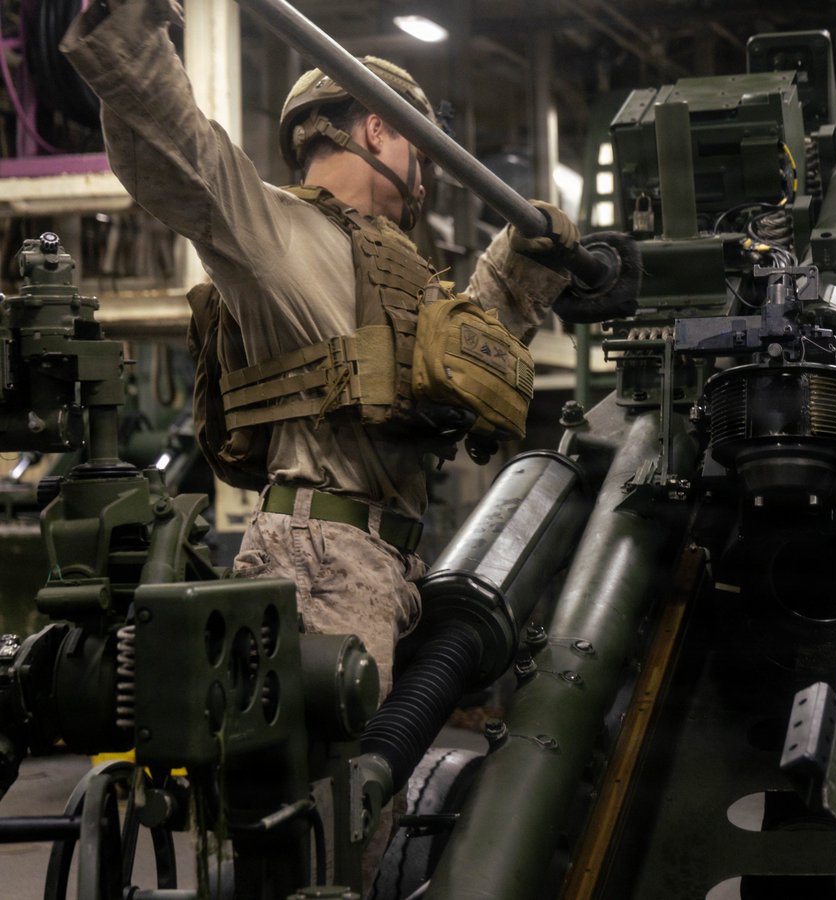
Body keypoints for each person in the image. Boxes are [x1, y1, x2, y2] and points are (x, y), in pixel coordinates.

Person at [61, 0, 578, 700]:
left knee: (362, 790)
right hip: (319, 559)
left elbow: (471, 350)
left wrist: (531, 258)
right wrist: (129, 25)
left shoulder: (390, 272)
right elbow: (175, 146)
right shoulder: (273, 230)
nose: (423, 182)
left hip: (378, 560)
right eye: (416, 156)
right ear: (375, 128)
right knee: (322, 796)